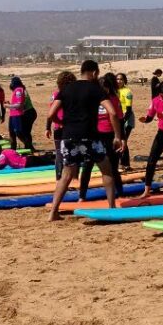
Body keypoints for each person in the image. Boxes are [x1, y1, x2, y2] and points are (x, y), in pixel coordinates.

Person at [43, 60, 123, 221]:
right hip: (90, 136)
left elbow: (51, 114)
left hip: (68, 137)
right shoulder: (96, 89)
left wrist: (63, 124)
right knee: (106, 169)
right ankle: (112, 207)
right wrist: (117, 136)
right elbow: (113, 113)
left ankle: (53, 212)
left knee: (66, 174)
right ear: (93, 72)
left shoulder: (66, 89)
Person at [78, 72, 124, 200]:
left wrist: (121, 138)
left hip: (110, 136)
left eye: (105, 87)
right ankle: (82, 196)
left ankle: (120, 194)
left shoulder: (113, 100)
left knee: (113, 167)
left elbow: (119, 119)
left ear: (109, 88)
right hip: (93, 136)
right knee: (87, 166)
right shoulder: (91, 100)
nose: (102, 90)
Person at [45, 70, 76, 179]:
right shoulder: (72, 94)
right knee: (71, 152)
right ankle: (71, 177)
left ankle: (59, 177)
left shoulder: (54, 94)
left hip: (57, 127)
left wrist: (48, 127)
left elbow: (50, 113)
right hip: (69, 127)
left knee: (59, 152)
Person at [6, 77, 36, 152]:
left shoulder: (21, 91)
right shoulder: (19, 90)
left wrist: (9, 106)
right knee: (20, 131)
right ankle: (23, 147)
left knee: (24, 131)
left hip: (28, 113)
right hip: (24, 112)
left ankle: (29, 146)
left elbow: (21, 105)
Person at [116, 73, 135, 171]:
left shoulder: (127, 92)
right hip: (118, 119)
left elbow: (128, 110)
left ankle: (124, 164)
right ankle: (125, 164)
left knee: (123, 140)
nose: (119, 81)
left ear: (124, 81)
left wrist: (122, 121)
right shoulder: (115, 91)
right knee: (121, 141)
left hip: (127, 119)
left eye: (121, 79)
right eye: (117, 79)